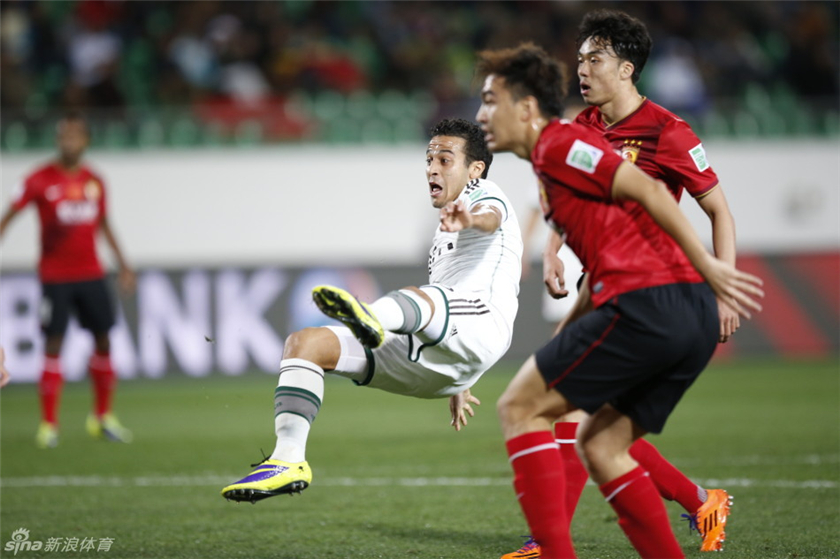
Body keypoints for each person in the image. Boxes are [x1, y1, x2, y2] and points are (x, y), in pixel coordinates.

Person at [475, 43, 762, 559]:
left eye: (490, 101)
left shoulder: (565, 144)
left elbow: (651, 194)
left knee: (522, 406)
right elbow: (611, 251)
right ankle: (697, 501)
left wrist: (712, 268)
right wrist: (570, 296)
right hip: (667, 307)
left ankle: (548, 547)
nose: (480, 115)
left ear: (524, 109)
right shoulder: (569, 143)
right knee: (600, 442)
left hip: (651, 301)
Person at [221, 118, 523, 502]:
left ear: (475, 169)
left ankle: (372, 318)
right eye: (429, 158)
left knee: (422, 297)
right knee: (306, 344)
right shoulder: (443, 229)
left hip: (483, 323)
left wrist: (469, 218)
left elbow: (490, 217)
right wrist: (462, 378)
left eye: (445, 160)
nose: (432, 167)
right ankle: (287, 460)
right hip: (445, 363)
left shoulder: (485, 192)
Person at [0, 112, 135, 448]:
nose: (68, 142)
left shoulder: (95, 181)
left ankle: (102, 416)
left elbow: (104, 224)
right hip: (55, 277)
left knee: (104, 340)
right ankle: (49, 424)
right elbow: (9, 217)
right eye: (63, 136)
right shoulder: (39, 180)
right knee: (53, 344)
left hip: (91, 273)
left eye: (74, 136)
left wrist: (124, 265)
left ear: (85, 141)